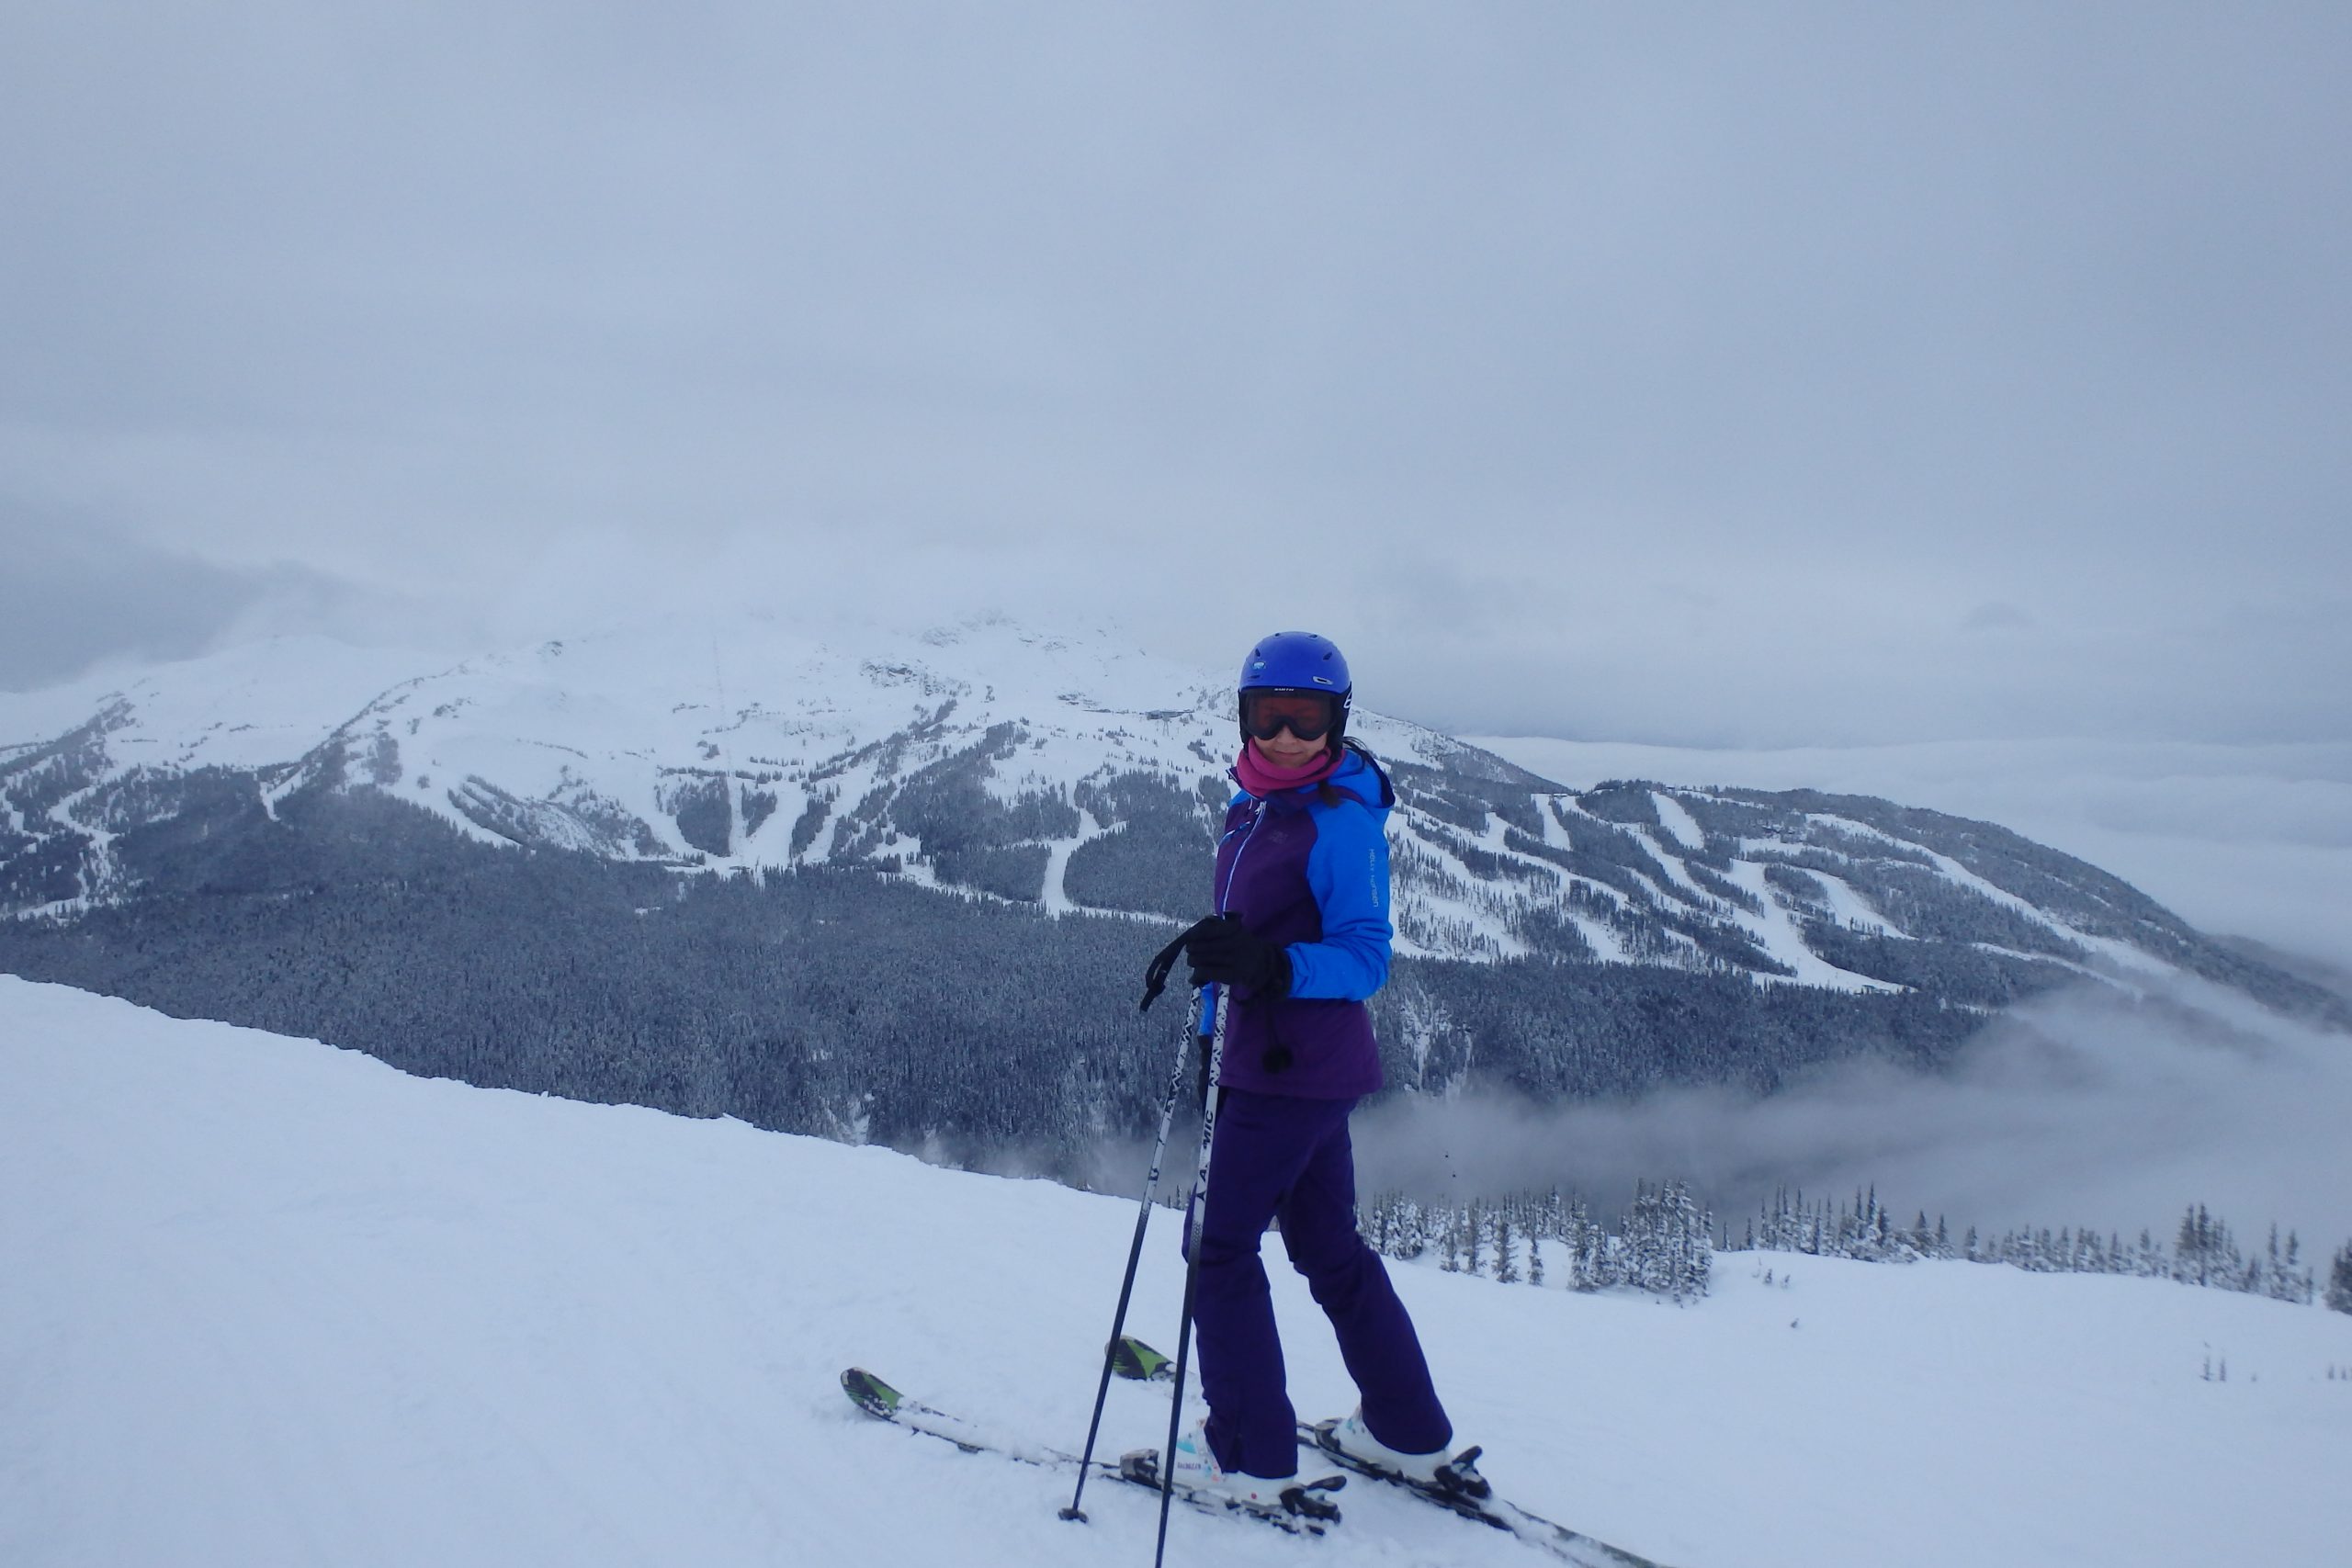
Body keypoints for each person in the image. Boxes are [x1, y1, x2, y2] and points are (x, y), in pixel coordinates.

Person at [1164, 630, 1481, 1516]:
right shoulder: (1257, 805)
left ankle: (1247, 1452)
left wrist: (1270, 968)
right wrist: (1221, 998)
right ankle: (1406, 1431)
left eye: (1309, 717)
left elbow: (1366, 958)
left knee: (1216, 1249)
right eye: (1271, 715)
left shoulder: (1338, 822)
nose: (1288, 736)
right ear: (1246, 715)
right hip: (1283, 1069)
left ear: (1338, 719)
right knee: (1327, 1249)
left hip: (1283, 1075)